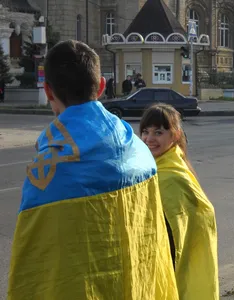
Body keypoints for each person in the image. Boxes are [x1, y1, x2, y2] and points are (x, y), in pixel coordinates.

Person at [7, 40, 179, 300]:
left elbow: (35, 271)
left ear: (48, 91)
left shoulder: (46, 174)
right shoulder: (139, 149)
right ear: (100, 87)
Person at [139, 103, 219, 300]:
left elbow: (174, 230)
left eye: (158, 132)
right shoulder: (161, 166)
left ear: (174, 135)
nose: (149, 139)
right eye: (145, 132)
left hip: (172, 262)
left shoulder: (171, 176)